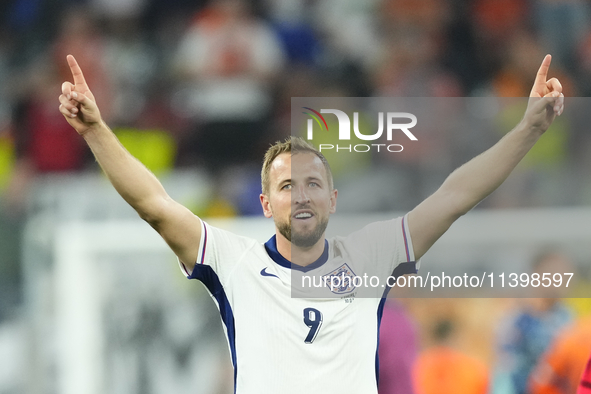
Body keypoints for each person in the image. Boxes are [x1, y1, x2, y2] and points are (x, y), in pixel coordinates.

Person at [58, 54, 564, 394]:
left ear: (334, 199)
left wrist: (528, 129)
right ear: (264, 203)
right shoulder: (234, 262)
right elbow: (155, 204)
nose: (301, 196)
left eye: (313, 185)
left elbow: (455, 195)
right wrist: (96, 130)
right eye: (286, 186)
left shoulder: (370, 255)